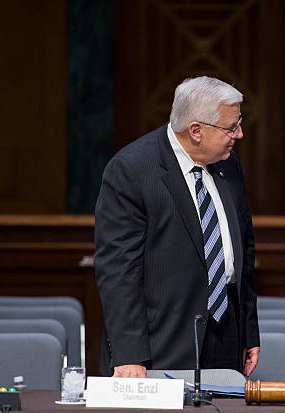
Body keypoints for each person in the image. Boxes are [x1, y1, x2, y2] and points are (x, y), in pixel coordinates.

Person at [95, 76, 260, 378]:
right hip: (160, 345)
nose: (239, 133)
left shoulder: (229, 164)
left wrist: (248, 331)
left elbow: (243, 253)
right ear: (196, 130)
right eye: (230, 127)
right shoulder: (132, 169)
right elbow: (118, 270)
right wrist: (129, 354)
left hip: (225, 339)